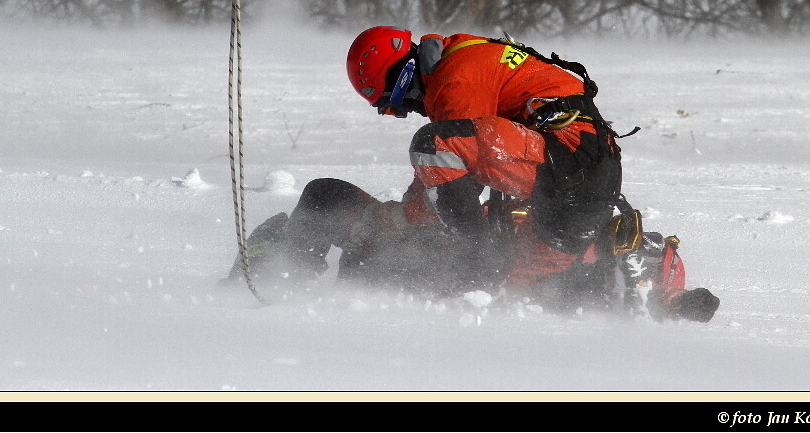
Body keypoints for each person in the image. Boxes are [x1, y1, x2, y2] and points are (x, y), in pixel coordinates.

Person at [232, 26, 720, 322]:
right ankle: (636, 291)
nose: (404, 112)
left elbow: (449, 159)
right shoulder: (467, 63)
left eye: (396, 102)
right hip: (571, 181)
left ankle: (471, 253)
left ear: (406, 76)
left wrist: (411, 219)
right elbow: (459, 171)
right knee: (535, 275)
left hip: (564, 159)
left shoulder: (456, 74)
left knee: (433, 146)